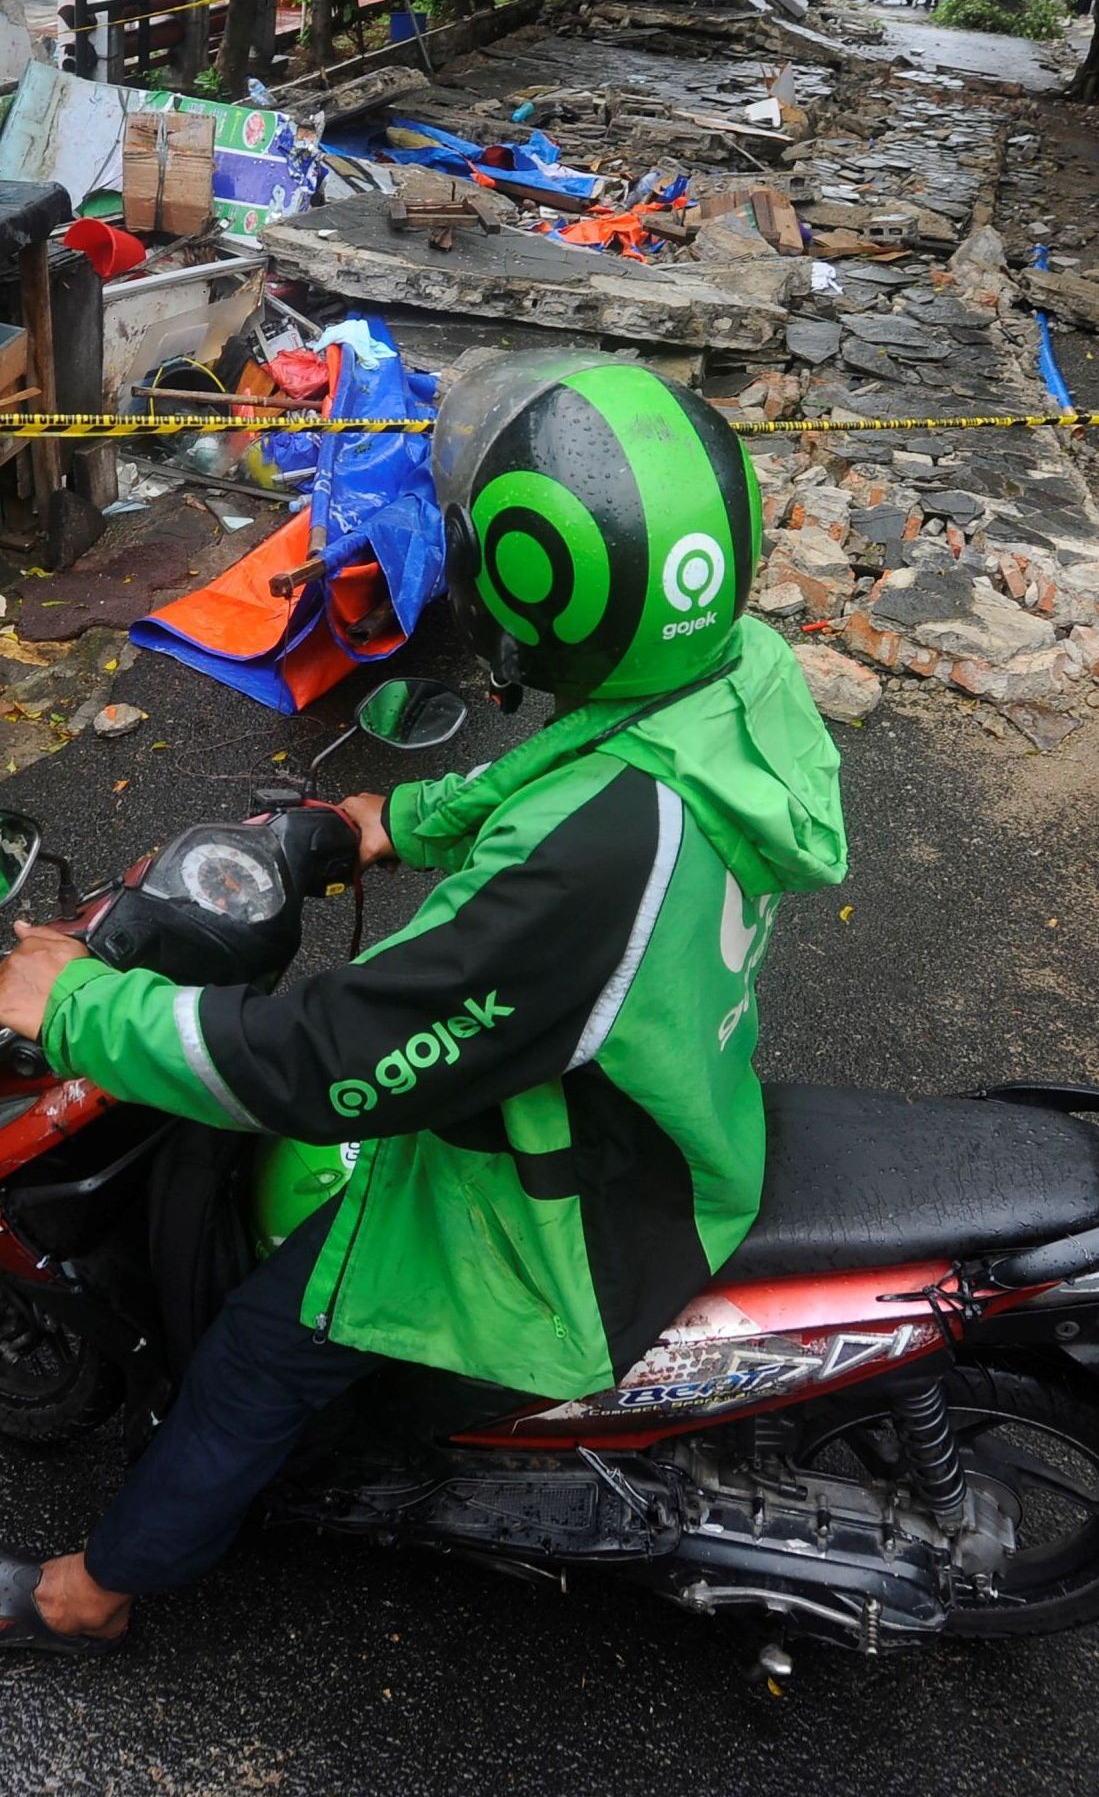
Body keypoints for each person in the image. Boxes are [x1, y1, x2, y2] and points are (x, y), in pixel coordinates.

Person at [0, 354, 848, 1654]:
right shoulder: (735, 675)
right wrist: (390, 816)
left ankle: (98, 1589)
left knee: (257, 1354)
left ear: (522, 594)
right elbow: (578, 762)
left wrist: (80, 1010)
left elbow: (331, 1064)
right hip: (669, 1078)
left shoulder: (587, 873)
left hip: (566, 1208)